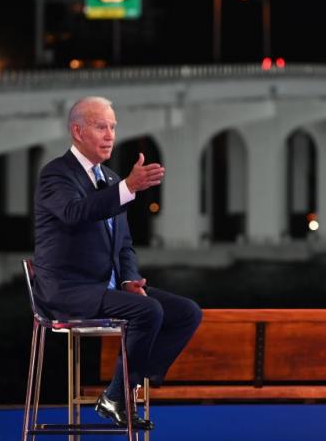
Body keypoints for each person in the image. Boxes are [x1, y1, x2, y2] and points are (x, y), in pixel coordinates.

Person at [32, 96, 202, 430]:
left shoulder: (110, 179)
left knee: (186, 312)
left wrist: (129, 279)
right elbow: (74, 214)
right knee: (149, 311)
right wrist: (128, 187)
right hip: (68, 290)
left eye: (112, 127)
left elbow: (123, 244)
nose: (110, 134)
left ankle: (119, 391)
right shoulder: (57, 175)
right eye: (101, 127)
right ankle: (120, 394)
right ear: (77, 131)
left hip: (107, 287)